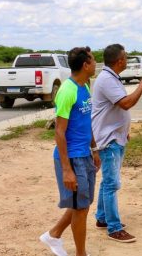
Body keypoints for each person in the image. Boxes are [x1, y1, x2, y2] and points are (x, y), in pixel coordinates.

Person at [40, 47, 100, 256]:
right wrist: (66, 169)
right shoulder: (68, 90)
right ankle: (80, 254)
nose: (95, 64)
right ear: (85, 65)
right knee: (81, 208)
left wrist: (94, 149)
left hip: (84, 154)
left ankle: (54, 234)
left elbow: (86, 123)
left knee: (82, 204)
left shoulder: (85, 87)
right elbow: (59, 132)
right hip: (72, 158)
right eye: (93, 60)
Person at [91, 44, 142, 243]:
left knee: (108, 181)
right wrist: (141, 87)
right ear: (119, 60)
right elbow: (125, 103)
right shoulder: (107, 79)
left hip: (115, 136)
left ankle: (102, 218)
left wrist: (124, 130)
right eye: (125, 57)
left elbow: (117, 109)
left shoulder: (111, 77)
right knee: (111, 183)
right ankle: (113, 228)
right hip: (109, 140)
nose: (127, 60)